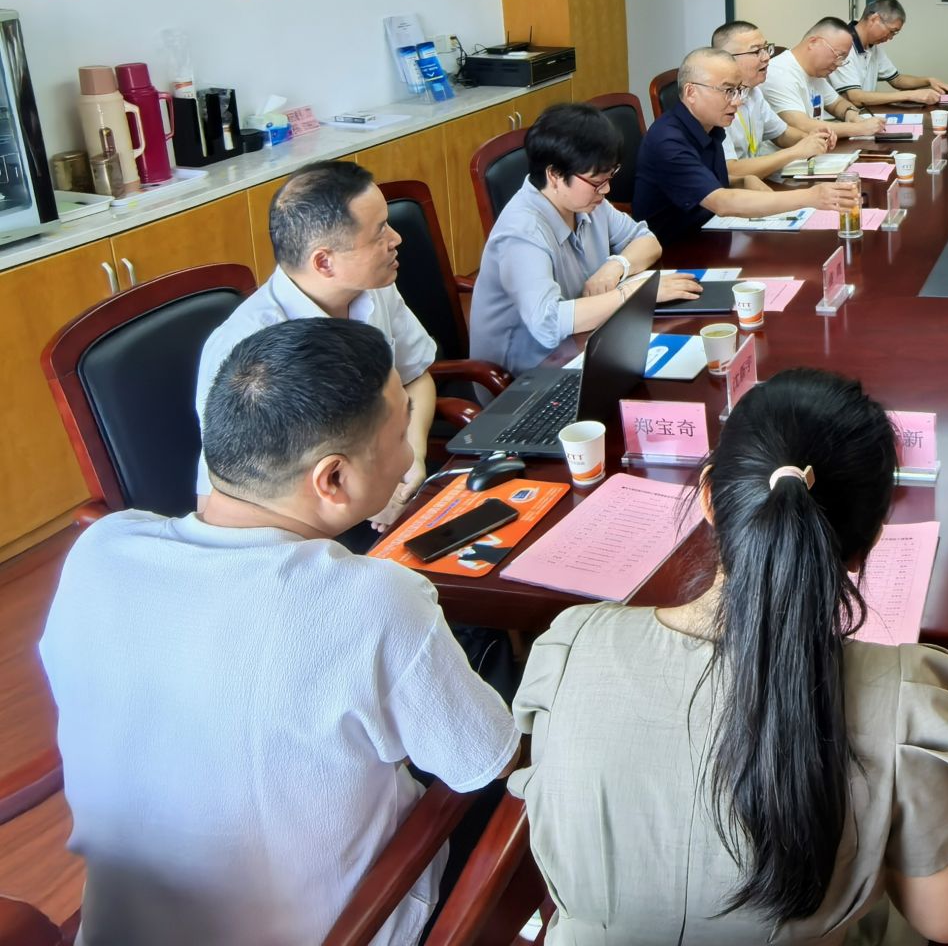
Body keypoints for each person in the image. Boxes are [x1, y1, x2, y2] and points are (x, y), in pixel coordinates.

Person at [41, 318, 519, 946]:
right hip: (346, 927)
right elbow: (487, 761)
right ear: (333, 479)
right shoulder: (373, 598)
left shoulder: (100, 548)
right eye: (401, 430)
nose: (411, 451)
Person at [512, 367, 948, 943]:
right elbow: (946, 921)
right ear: (869, 540)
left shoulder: (571, 647)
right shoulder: (905, 703)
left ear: (709, 497)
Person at [189, 160, 436, 528]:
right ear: (324, 262)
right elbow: (224, 498)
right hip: (309, 531)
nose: (396, 239)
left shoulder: (371, 286)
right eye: (379, 232)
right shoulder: (246, 350)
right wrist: (367, 496)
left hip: (380, 488)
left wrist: (411, 457)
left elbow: (415, 376)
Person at [470, 101, 698, 373]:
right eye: (597, 181)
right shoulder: (522, 231)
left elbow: (646, 240)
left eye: (610, 176)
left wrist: (617, 266)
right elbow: (548, 323)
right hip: (525, 375)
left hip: (585, 343)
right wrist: (635, 294)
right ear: (555, 175)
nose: (606, 189)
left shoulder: (588, 202)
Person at [636, 46, 860, 247]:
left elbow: (707, 182)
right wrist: (812, 197)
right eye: (728, 91)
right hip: (674, 251)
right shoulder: (668, 140)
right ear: (691, 92)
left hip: (713, 233)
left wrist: (742, 180)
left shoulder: (709, 126)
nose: (737, 101)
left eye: (738, 90)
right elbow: (721, 202)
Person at [709, 19, 834, 180]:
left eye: (766, 49)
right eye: (756, 52)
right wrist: (795, 152)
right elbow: (731, 170)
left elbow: (781, 133)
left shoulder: (753, 92)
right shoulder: (714, 102)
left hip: (757, 182)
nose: (767, 57)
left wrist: (811, 139)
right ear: (727, 59)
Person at [830, 0, 948, 109]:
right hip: (838, 121)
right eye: (891, 31)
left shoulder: (872, 46)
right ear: (874, 19)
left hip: (863, 116)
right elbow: (856, 97)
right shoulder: (843, 45)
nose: (890, 38)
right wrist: (910, 95)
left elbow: (897, 80)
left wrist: (929, 80)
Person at [763, 17, 884, 140]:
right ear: (813, 42)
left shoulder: (815, 73)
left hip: (816, 148)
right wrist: (860, 128)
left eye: (843, 59)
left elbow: (837, 103)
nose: (838, 64)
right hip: (787, 151)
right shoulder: (778, 73)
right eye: (838, 55)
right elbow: (801, 125)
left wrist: (851, 114)